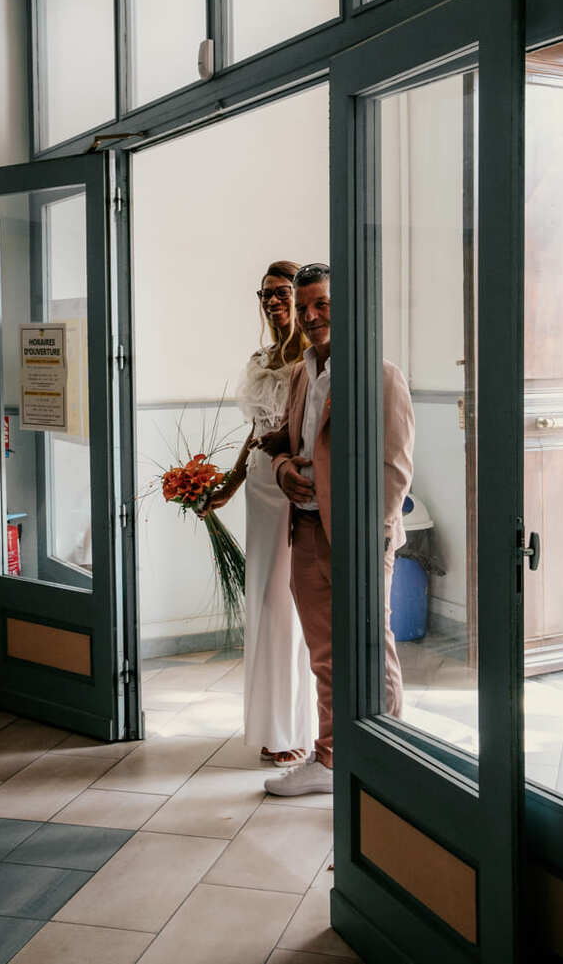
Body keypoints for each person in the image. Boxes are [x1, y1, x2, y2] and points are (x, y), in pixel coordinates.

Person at [260, 262, 414, 796]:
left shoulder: (381, 374)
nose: (310, 316)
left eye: (321, 304)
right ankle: (329, 760)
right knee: (324, 654)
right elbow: (282, 439)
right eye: (304, 308)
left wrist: (368, 542)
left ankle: (388, 762)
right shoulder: (303, 371)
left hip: (359, 542)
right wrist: (282, 471)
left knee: (372, 649)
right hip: (304, 535)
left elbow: (395, 470)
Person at [202, 261, 314, 766]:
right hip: (260, 492)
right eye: (265, 293)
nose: (272, 301)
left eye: (281, 292)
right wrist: (228, 484)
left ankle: (295, 727)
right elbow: (256, 431)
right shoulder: (261, 357)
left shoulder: (312, 357)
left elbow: (305, 428)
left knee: (286, 604)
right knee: (264, 603)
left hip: (296, 486)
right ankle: (271, 723)